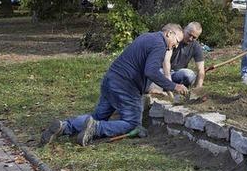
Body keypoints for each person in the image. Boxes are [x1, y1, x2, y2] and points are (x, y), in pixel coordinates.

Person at [40, 24, 189, 147]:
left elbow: (139, 67)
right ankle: (96, 129)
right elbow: (150, 71)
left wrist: (152, 89)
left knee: (98, 116)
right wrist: (174, 86)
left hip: (111, 79)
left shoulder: (147, 37)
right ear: (169, 33)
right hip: (125, 85)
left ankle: (64, 126)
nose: (175, 46)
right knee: (132, 124)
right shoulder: (160, 44)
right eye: (177, 40)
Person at [162, 22, 205, 89]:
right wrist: (168, 82)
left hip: (178, 73)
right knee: (155, 72)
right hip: (163, 70)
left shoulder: (196, 46)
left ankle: (176, 86)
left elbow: (201, 69)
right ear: (185, 29)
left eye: (194, 37)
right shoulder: (174, 38)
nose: (190, 38)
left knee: (189, 75)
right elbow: (166, 61)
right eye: (189, 35)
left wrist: (199, 87)